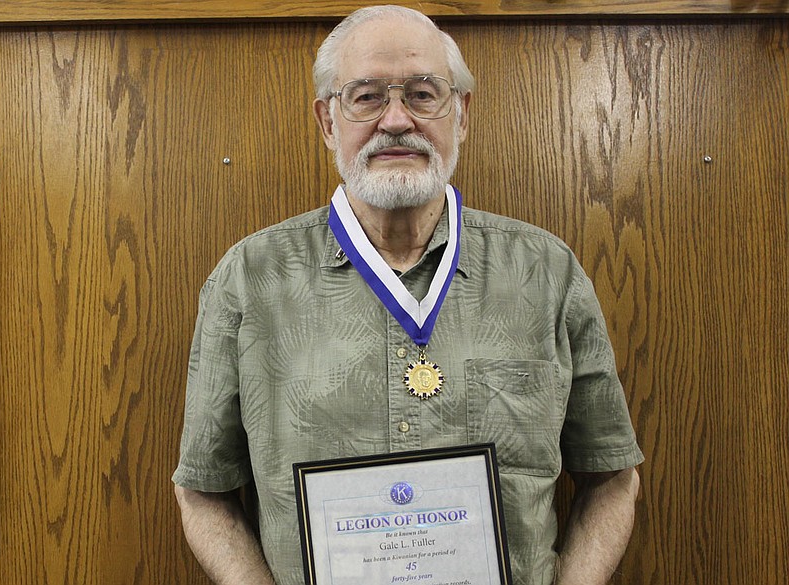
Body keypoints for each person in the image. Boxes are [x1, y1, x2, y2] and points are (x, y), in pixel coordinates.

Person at [173, 5, 644, 585]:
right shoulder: (249, 279)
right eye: (366, 97)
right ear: (327, 121)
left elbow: (612, 474)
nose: (396, 120)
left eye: (423, 94)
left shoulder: (546, 272)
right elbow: (201, 488)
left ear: (461, 114)